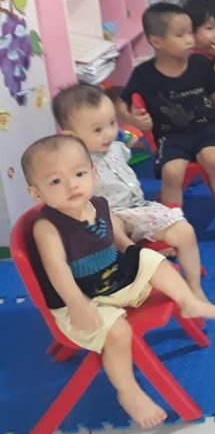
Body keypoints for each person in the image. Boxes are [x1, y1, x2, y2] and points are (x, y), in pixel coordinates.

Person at [21, 135, 215, 429]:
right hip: (82, 301)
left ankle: (188, 301)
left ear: (93, 174)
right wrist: (77, 303)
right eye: (55, 181)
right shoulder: (47, 227)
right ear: (36, 193)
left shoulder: (98, 204)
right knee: (119, 332)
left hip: (113, 279)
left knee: (155, 262)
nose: (71, 185)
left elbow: (116, 238)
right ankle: (128, 390)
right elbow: (57, 269)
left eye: (79, 174)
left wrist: (135, 255)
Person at [51, 84, 206, 299]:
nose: (109, 133)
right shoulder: (75, 163)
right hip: (107, 216)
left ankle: (194, 287)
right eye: (97, 130)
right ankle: (140, 260)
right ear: (71, 136)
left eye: (112, 123)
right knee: (110, 223)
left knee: (185, 231)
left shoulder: (116, 145)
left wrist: (139, 124)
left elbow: (133, 136)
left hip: (139, 209)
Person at [116, 2, 215, 252]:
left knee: (214, 159)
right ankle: (171, 229)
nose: (189, 39)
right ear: (157, 41)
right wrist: (135, 121)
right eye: (180, 34)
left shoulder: (199, 64)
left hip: (205, 130)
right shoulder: (144, 74)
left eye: (190, 32)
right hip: (170, 137)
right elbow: (122, 103)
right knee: (172, 172)